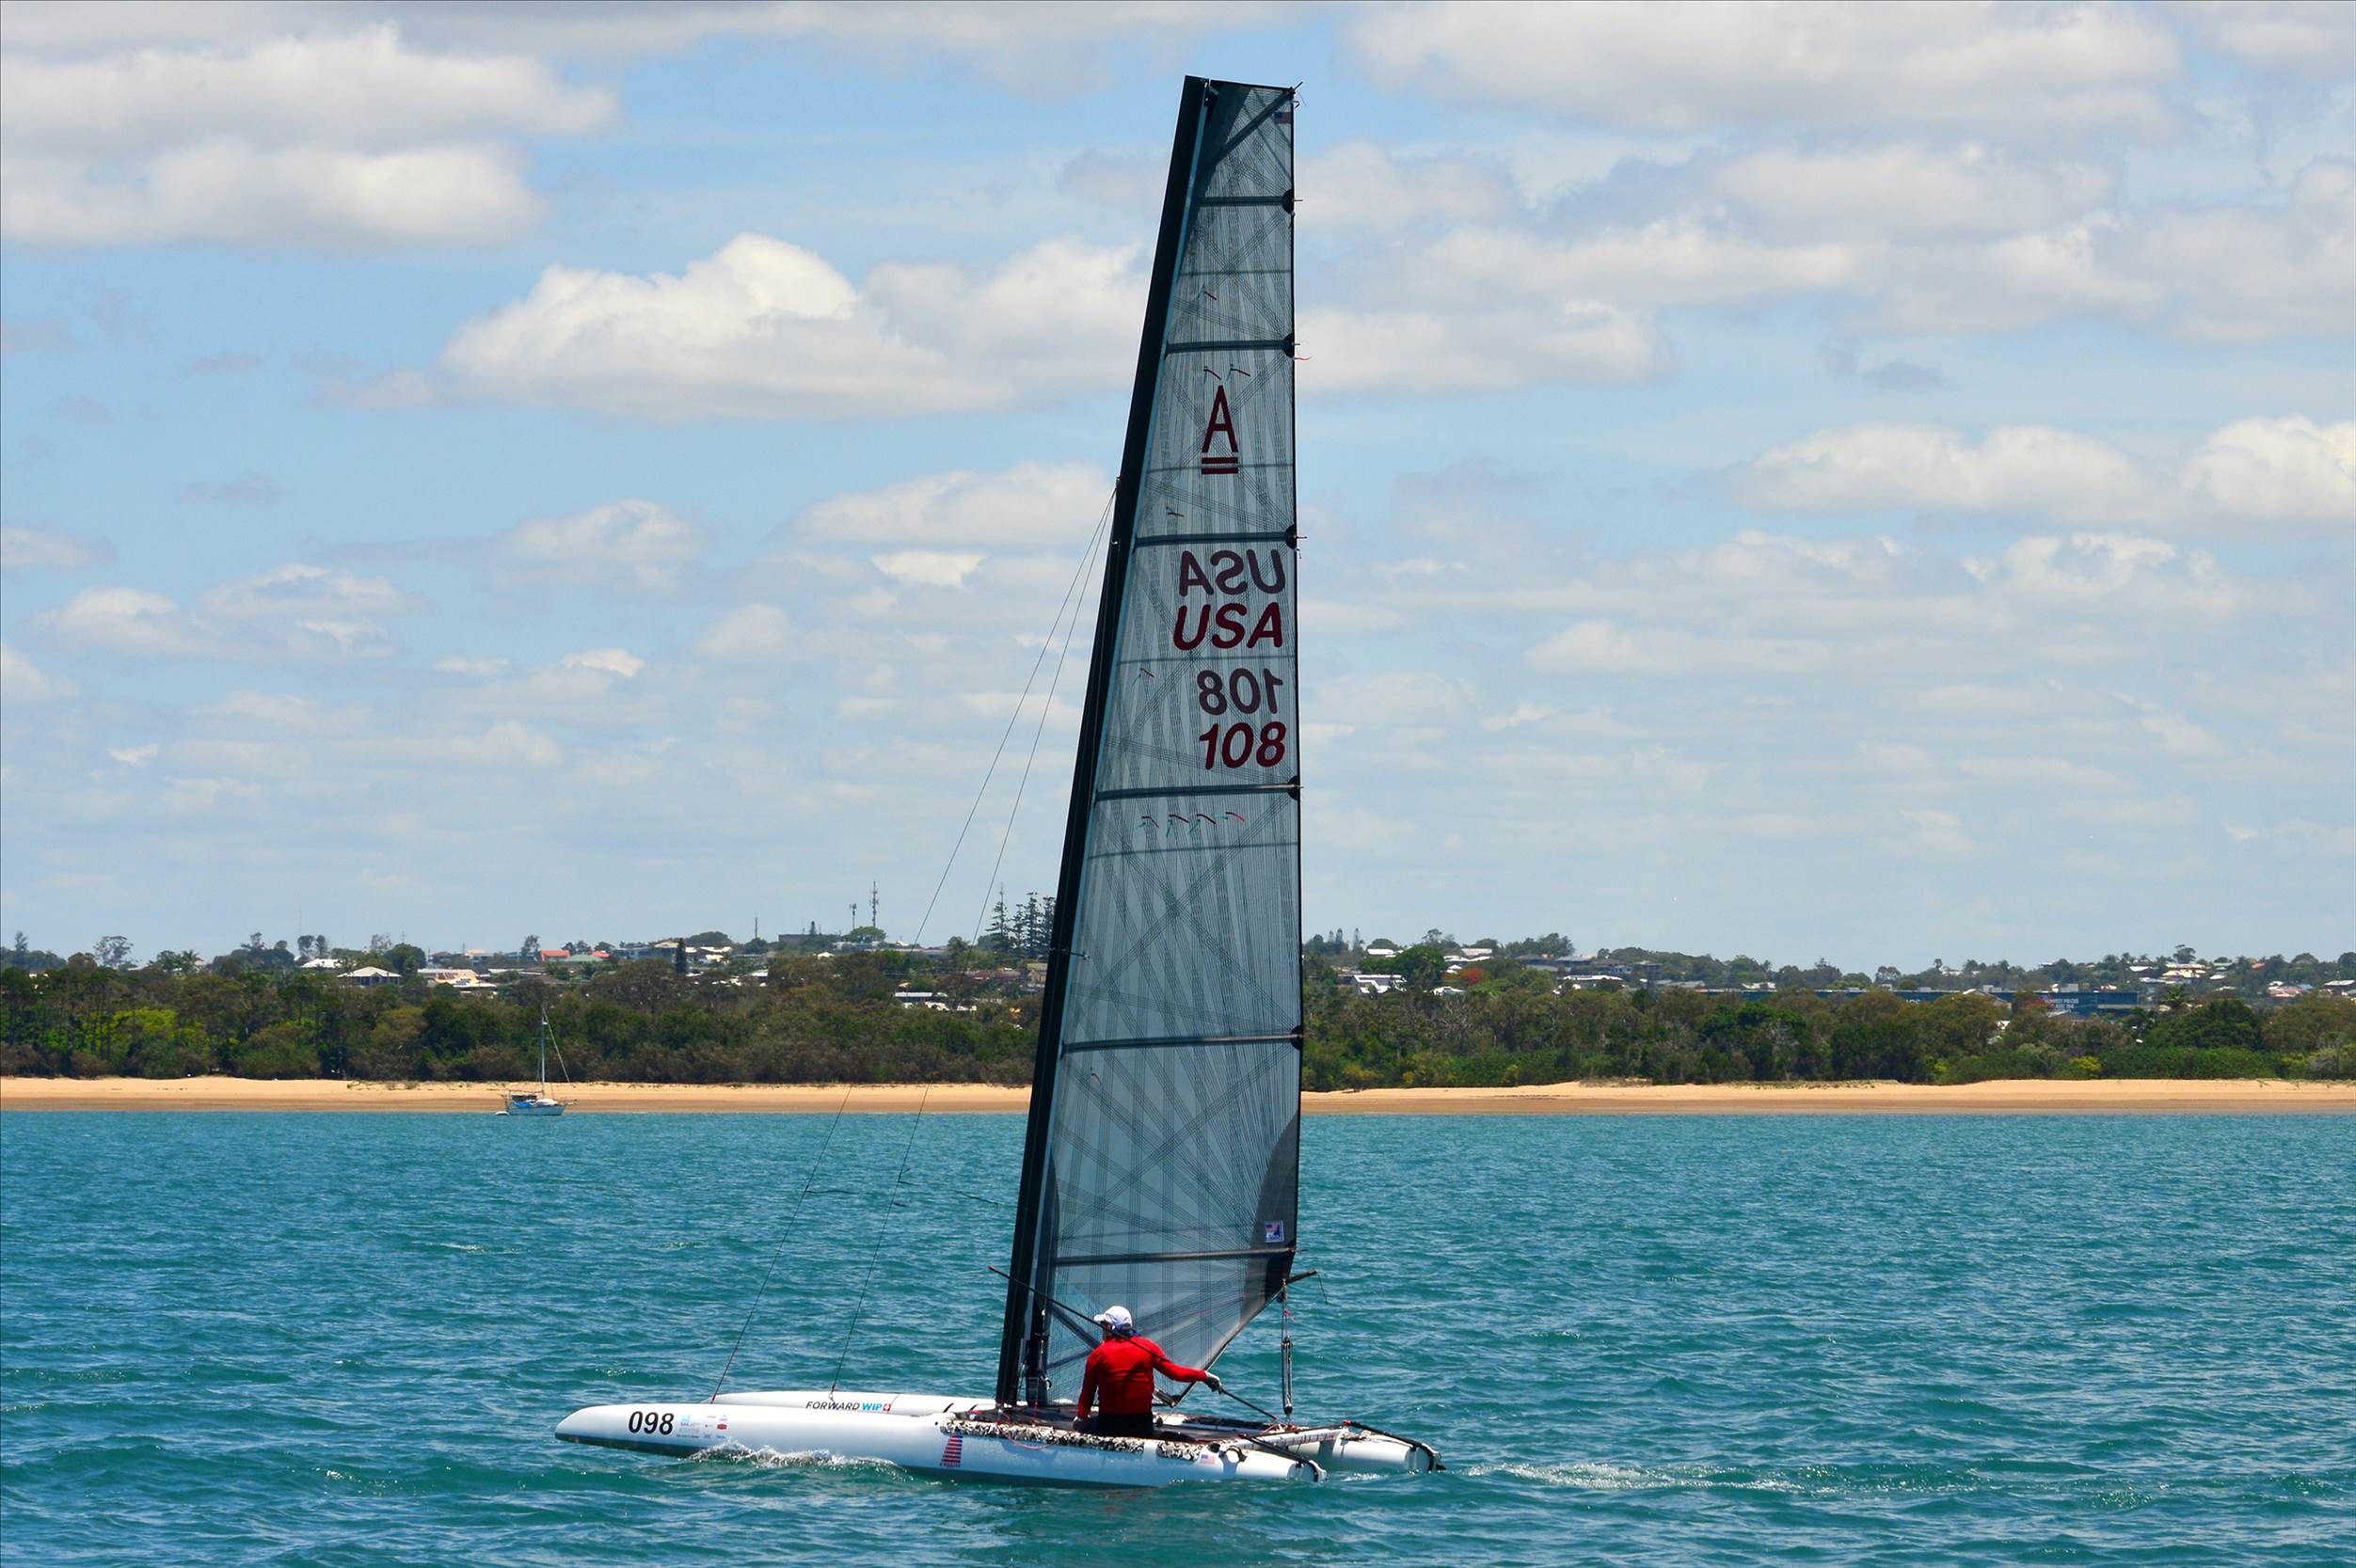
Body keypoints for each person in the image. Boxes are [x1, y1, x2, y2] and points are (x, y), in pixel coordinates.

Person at [1074, 1305, 1222, 1438]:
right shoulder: (1148, 1348)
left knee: (1078, 1425)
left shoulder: (1098, 1354)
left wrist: (1080, 1418)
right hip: (1142, 1426)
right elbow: (1175, 1373)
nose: (1102, 1330)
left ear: (1111, 1328)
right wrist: (1204, 1376)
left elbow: (1087, 1394)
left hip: (1109, 1426)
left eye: (1103, 1325)